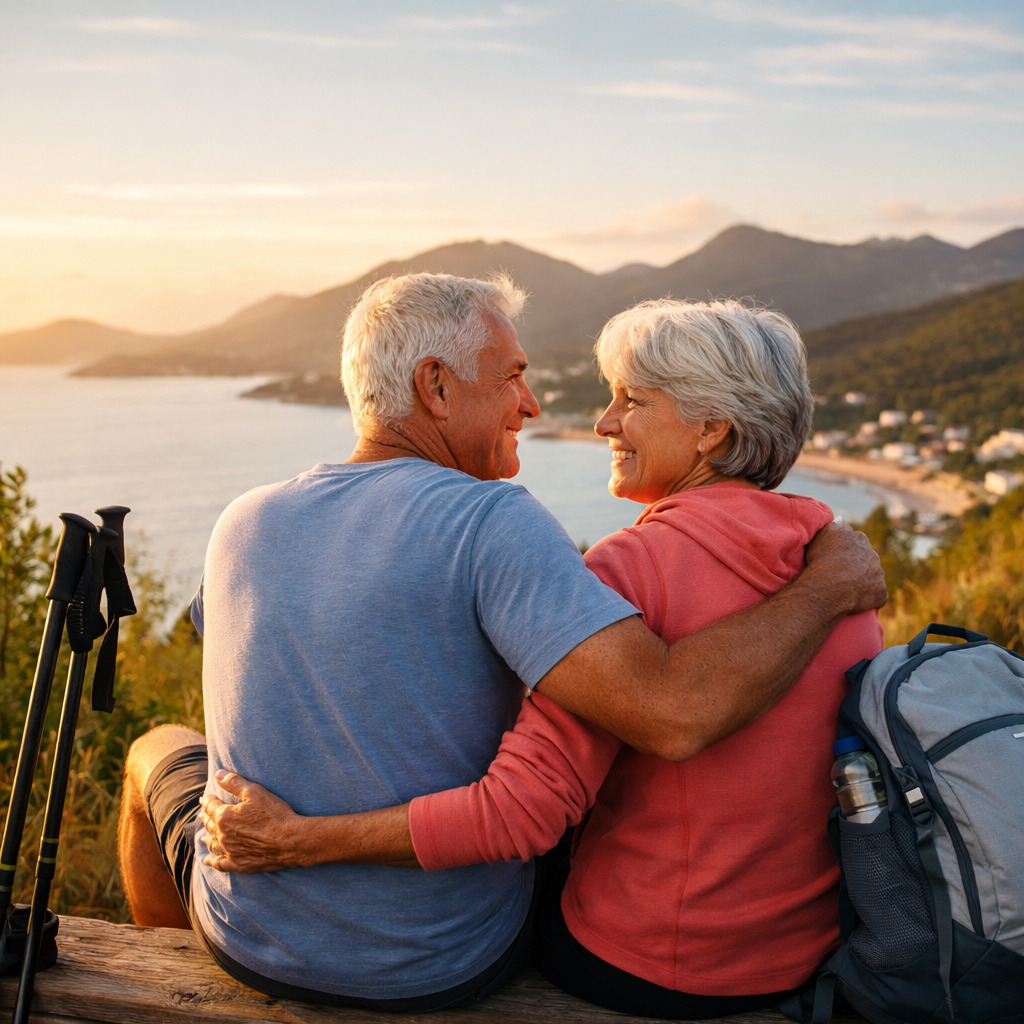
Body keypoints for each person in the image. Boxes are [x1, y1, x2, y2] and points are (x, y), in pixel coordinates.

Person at [118, 275, 886, 1011]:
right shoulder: (829, 548)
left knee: (152, 750)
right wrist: (829, 586)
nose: (545, 406)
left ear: (712, 427)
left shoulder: (242, 519)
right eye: (512, 376)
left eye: (629, 401)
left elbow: (554, 787)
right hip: (764, 949)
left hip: (262, 941)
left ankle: (173, 973)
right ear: (436, 386)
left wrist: (296, 839)